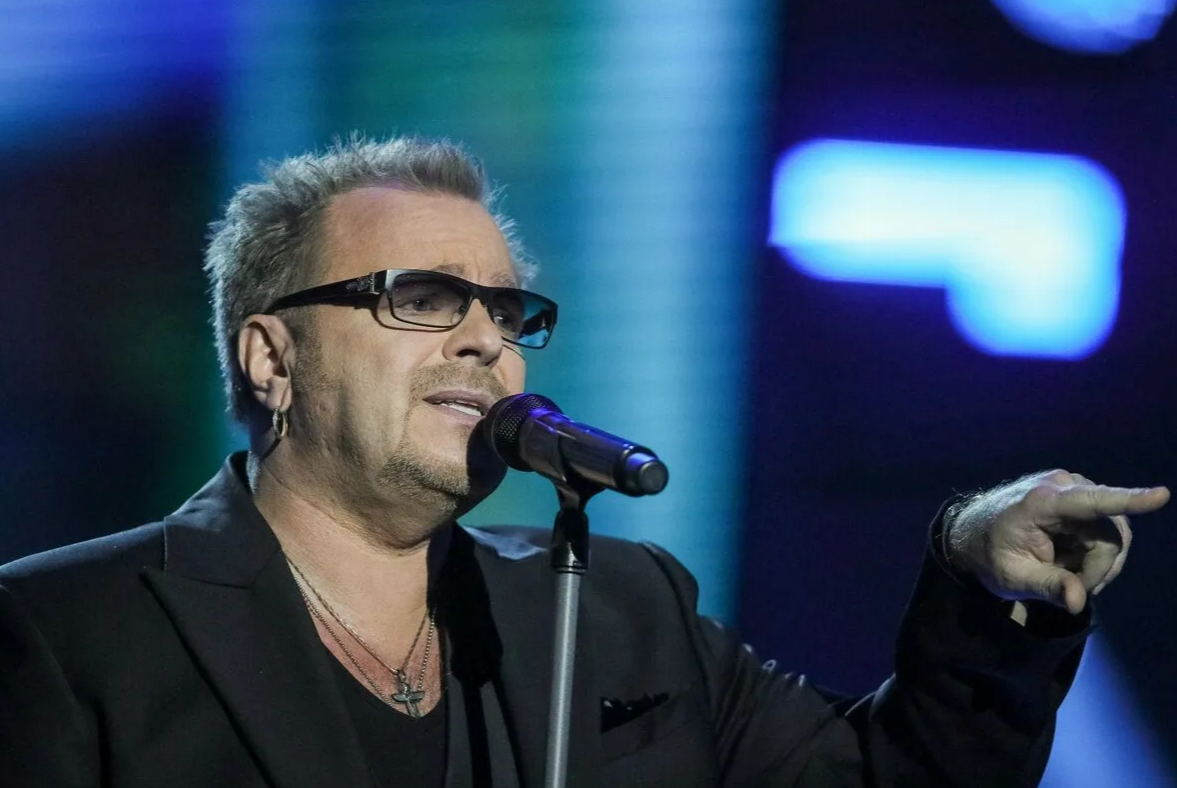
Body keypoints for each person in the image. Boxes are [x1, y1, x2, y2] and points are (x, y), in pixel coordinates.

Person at [0, 136, 1167, 788]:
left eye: (507, 312)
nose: (486, 340)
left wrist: (978, 572)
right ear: (271, 357)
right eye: (423, 298)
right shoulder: (64, 630)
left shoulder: (621, 606)